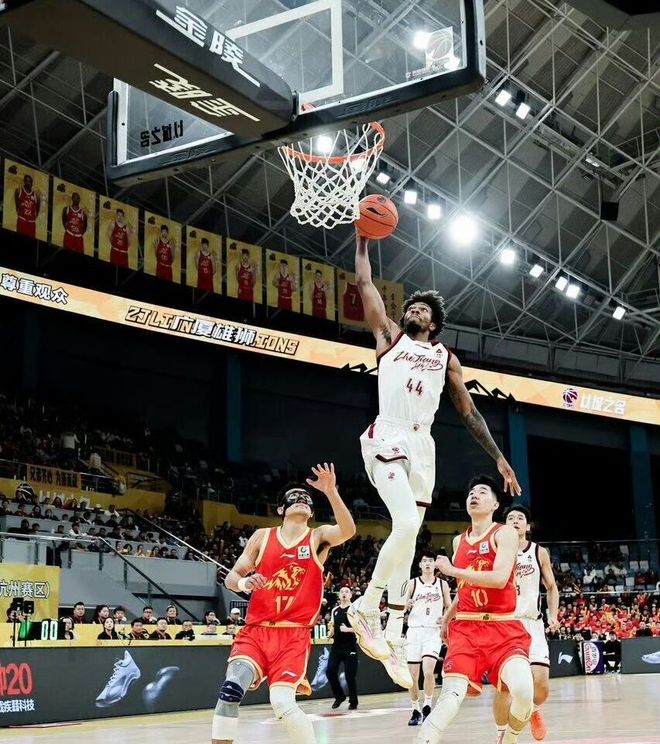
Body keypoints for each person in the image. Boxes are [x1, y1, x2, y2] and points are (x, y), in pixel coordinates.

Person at [348, 231, 521, 688]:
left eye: (423, 310)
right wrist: (363, 243)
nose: (415, 311)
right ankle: (366, 607)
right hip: (388, 433)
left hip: (423, 447)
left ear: (435, 323)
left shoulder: (446, 359)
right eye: (412, 307)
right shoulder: (389, 337)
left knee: (408, 538)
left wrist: (499, 457)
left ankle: (393, 633)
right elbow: (365, 285)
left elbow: (469, 412)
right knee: (406, 524)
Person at [210, 463, 355, 744]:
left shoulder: (317, 537)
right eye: (294, 496)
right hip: (256, 631)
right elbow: (231, 578)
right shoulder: (262, 537)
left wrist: (331, 491)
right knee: (230, 690)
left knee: (282, 703)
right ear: (281, 509)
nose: (301, 498)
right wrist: (244, 583)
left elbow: (348, 530)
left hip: (293, 635)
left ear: (311, 512)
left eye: (306, 497)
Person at [419, 475, 533, 744]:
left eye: (482, 492)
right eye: (471, 492)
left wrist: (451, 570)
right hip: (467, 628)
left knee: (524, 691)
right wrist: (447, 617)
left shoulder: (504, 533)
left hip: (502, 626)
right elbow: (464, 588)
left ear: (495, 504)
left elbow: (499, 578)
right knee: (450, 696)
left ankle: (510, 739)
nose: (474, 495)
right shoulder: (459, 541)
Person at [493, 505, 559, 742]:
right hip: (505, 623)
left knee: (540, 685)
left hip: (532, 623)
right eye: (510, 518)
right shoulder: (496, 551)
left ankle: (533, 709)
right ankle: (502, 734)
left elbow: (551, 587)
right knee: (504, 688)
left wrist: (553, 615)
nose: (515, 520)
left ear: (527, 526)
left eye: (520, 518)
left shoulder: (539, 552)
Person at [405, 550, 452, 726]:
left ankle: (427, 706)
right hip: (414, 630)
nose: (427, 564)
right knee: (412, 675)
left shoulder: (442, 584)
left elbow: (449, 606)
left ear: (435, 565)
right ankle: (415, 709)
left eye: (430, 561)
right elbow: (401, 606)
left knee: (428, 670)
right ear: (420, 564)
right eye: (424, 561)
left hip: (432, 631)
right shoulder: (412, 583)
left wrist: (445, 618)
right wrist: (406, 605)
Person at [327, 587, 359, 710]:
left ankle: (353, 701)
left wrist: (348, 629)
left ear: (350, 595)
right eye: (342, 592)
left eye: (346, 592)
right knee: (330, 671)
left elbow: (361, 628)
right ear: (339, 596)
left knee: (350, 675)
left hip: (350, 646)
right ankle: (339, 696)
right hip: (336, 646)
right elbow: (333, 626)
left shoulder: (354, 609)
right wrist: (330, 633)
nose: (344, 593)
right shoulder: (335, 610)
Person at [14, 173, 41, 238]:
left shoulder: (36, 195)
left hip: (31, 223)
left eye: (30, 181)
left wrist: (36, 215)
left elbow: (38, 208)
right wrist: (18, 210)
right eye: (26, 181)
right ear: (24, 181)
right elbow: (17, 203)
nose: (28, 183)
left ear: (32, 183)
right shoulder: (18, 191)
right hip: (22, 220)